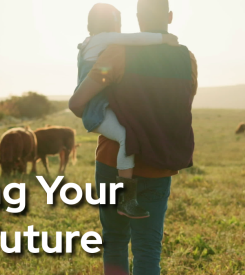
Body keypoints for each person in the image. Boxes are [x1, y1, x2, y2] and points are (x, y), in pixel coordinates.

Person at [69, 0, 198, 274]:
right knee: (148, 248)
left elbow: (78, 101)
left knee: (114, 240)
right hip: (159, 162)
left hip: (111, 162)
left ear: (137, 19)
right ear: (170, 17)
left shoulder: (116, 53)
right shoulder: (186, 57)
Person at [75, 3, 179, 219]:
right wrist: (163, 39)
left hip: (99, 106)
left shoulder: (90, 42)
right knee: (126, 136)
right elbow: (135, 40)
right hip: (97, 109)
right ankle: (126, 198)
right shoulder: (104, 39)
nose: (121, 29)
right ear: (112, 24)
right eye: (119, 24)